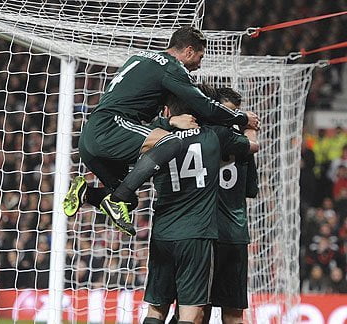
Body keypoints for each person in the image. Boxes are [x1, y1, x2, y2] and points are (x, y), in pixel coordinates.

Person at [63, 26, 259, 236]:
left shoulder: (142, 57)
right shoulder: (172, 67)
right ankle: (116, 199)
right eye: (200, 57)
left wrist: (171, 120)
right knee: (170, 143)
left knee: (130, 201)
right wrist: (242, 117)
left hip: (92, 136)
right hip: (112, 128)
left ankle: (87, 193)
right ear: (189, 51)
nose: (199, 65)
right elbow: (206, 106)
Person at [142, 90, 258, 324]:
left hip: (183, 230)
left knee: (179, 308)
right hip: (223, 233)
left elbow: (142, 136)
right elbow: (250, 187)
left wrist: (169, 121)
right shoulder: (222, 137)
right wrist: (248, 125)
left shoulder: (167, 137)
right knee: (222, 313)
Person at [200, 87, 258, 324]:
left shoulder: (200, 135)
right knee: (233, 314)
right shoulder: (243, 145)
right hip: (234, 234)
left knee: (196, 310)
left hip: (202, 233)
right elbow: (250, 190)